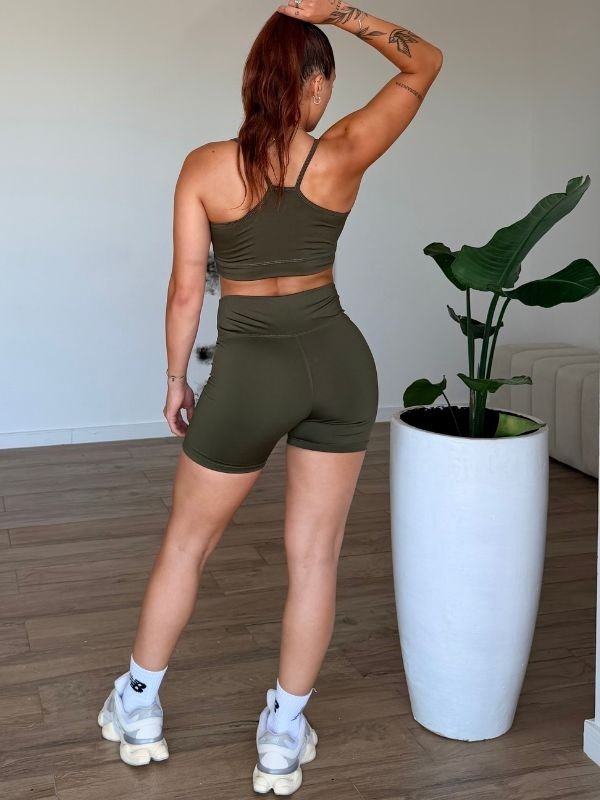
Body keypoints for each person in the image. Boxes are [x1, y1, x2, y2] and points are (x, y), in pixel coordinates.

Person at [97, 1, 442, 795]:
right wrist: (341, 12)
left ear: (255, 81)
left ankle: (138, 706)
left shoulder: (205, 167)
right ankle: (283, 735)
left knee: (187, 544)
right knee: (314, 557)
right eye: (327, 82)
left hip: (251, 372)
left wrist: (177, 380)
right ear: (314, 83)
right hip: (338, 364)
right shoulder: (344, 151)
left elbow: (187, 291)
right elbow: (425, 62)